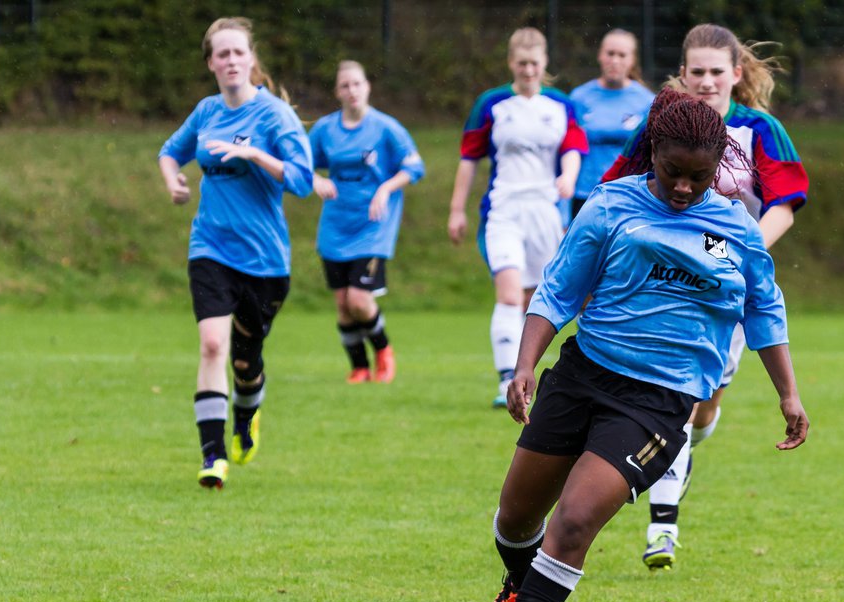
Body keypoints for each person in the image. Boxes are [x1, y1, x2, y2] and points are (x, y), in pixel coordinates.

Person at [485, 91, 808, 602]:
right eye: (672, 171)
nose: (683, 187)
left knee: (574, 520)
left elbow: (764, 309)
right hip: (582, 375)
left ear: (718, 169)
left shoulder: (737, 230)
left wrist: (788, 393)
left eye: (698, 177)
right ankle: (519, 589)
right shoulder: (611, 205)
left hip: (659, 400)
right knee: (517, 518)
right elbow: (558, 292)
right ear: (653, 151)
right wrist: (524, 365)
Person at [605, 23, 810, 569]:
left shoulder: (759, 129)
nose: (705, 81)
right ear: (683, 73)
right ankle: (662, 530)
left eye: (717, 72)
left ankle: (681, 449)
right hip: (664, 290)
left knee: (703, 408)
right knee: (679, 400)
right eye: (696, 71)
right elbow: (615, 188)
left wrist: (742, 255)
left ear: (736, 75)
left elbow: (785, 203)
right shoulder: (659, 128)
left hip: (729, 293)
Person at [158, 17, 313, 489]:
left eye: (237, 53)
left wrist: (255, 157)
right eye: (220, 54)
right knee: (212, 346)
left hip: (265, 261)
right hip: (210, 247)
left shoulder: (273, 117)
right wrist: (173, 180)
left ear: (251, 59)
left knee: (247, 362)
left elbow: (303, 181)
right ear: (210, 63)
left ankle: (246, 417)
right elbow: (170, 151)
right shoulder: (206, 112)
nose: (230, 61)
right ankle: (212, 457)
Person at [447, 27, 588, 408]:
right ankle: (505, 379)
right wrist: (457, 209)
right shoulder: (491, 104)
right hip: (503, 210)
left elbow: (574, 147)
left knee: (537, 298)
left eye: (534, 63)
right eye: (522, 63)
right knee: (509, 294)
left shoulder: (560, 105)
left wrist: (568, 177)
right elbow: (468, 160)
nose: (528, 70)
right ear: (511, 63)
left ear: (544, 65)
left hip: (545, 212)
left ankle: (529, 376)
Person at [310, 60, 425, 384]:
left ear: (367, 87)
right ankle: (359, 368)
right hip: (335, 225)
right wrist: (316, 180)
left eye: (357, 84)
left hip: (373, 226)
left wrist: (386, 189)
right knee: (343, 305)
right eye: (345, 85)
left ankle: (384, 352)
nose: (352, 91)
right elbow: (300, 163)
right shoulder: (325, 130)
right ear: (337, 92)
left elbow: (415, 167)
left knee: (360, 299)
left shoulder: (386, 128)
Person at [568, 29, 654, 220]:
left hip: (628, 196)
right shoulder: (579, 98)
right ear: (600, 55)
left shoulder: (647, 101)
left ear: (632, 60)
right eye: (610, 53)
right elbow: (567, 150)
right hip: (585, 195)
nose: (615, 60)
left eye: (622, 55)